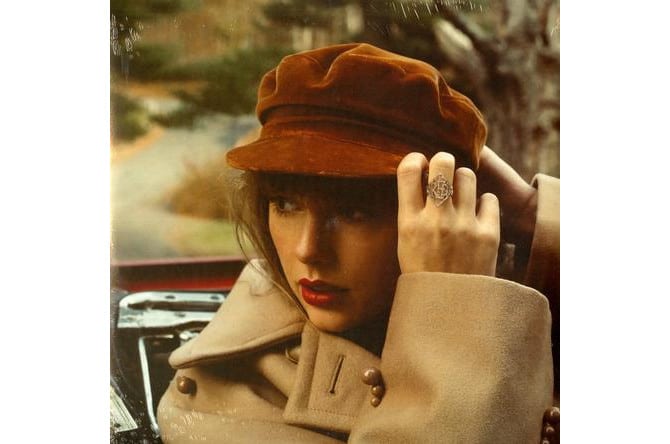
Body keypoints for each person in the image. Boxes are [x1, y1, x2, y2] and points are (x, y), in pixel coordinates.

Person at [157, 42, 559, 443]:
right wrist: (452, 306)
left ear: (439, 215)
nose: (309, 250)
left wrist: (527, 214)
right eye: (286, 204)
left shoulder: (507, 300)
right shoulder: (227, 396)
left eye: (354, 212)